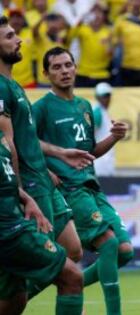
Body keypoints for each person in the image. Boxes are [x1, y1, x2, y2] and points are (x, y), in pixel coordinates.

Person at [32, 46, 134, 315]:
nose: (64, 71)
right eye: (57, 67)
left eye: (68, 65)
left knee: (124, 251)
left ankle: (68, 283)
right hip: (69, 188)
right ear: (46, 73)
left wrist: (114, 137)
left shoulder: (84, 106)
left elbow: (89, 153)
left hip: (92, 186)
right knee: (109, 243)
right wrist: (47, 171)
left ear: (75, 68)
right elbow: (26, 143)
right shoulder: (41, 108)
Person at [0, 15, 87, 299]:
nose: (19, 39)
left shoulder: (13, 84)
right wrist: (21, 192)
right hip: (30, 186)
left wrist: (59, 153)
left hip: (41, 179)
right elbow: (7, 143)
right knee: (61, 268)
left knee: (72, 250)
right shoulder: (0, 87)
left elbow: (25, 139)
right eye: (10, 36)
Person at [0, 131, 84, 315]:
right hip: (9, 232)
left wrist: (27, 200)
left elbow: (8, 179)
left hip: (13, 222)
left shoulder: (2, 137)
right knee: (72, 276)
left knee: (15, 300)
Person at [93, 82, 116, 176]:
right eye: (104, 96)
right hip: (99, 165)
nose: (107, 99)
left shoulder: (103, 112)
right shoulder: (97, 112)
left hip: (106, 162)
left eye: (108, 95)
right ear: (98, 97)